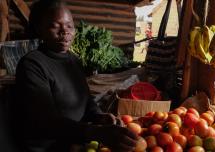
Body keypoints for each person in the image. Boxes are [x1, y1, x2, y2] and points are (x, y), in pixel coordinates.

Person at [10, 0, 138, 152]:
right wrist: (98, 133)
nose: (65, 31)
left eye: (69, 26)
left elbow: (85, 98)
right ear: (40, 29)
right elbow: (46, 122)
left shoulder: (73, 60)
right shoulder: (32, 64)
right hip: (48, 147)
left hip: (74, 141)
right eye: (55, 26)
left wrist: (98, 116)